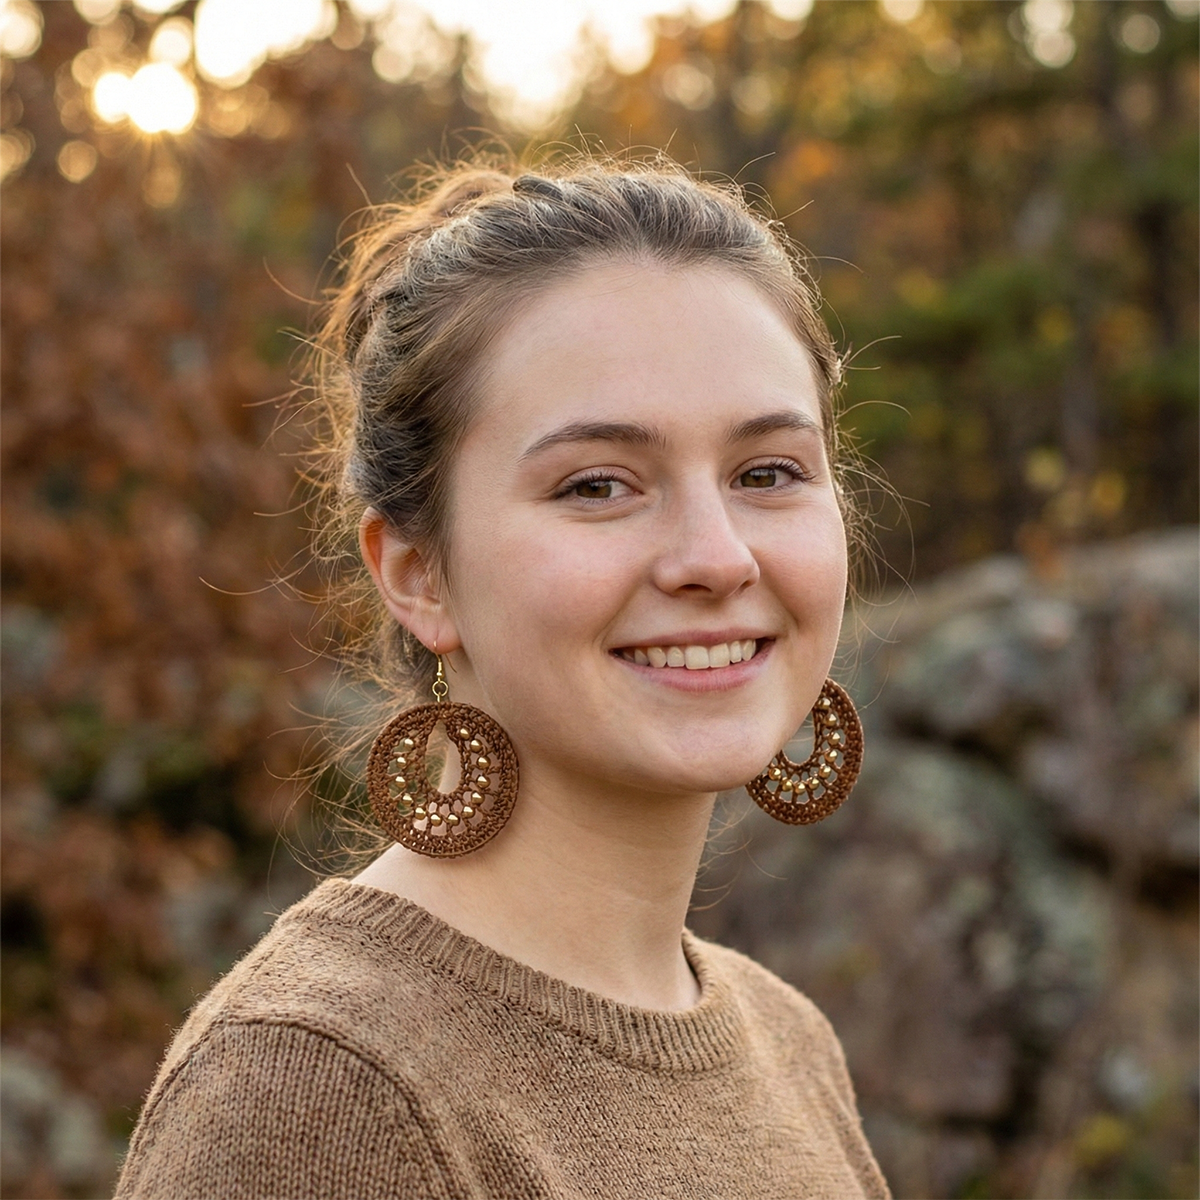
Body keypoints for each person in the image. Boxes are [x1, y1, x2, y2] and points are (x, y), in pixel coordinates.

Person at [113, 158, 890, 1199]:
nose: (717, 555)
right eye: (599, 485)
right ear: (420, 575)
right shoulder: (319, 1089)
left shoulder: (790, 1045)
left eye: (766, 473)